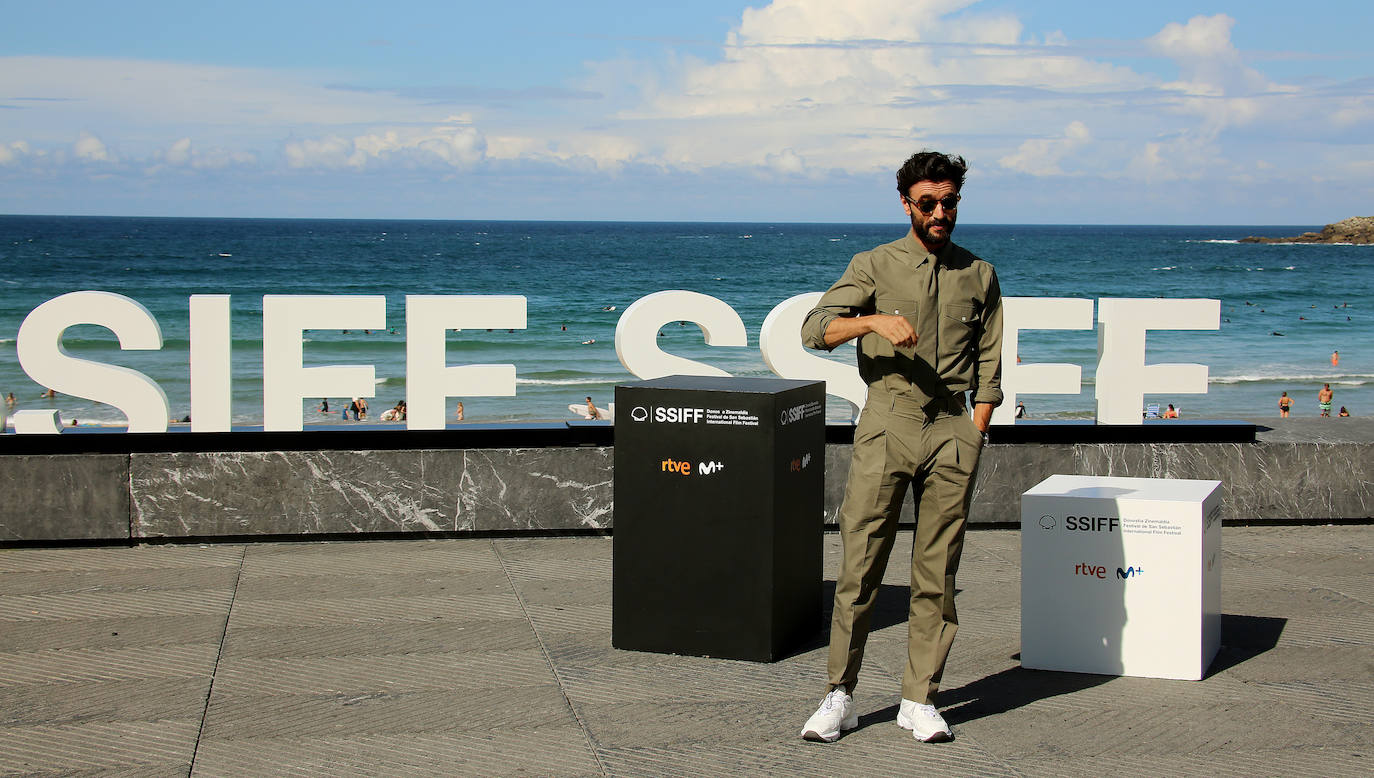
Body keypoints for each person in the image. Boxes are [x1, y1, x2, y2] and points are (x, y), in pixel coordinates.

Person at [799, 150, 1002, 745]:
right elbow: (815, 330)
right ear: (907, 204)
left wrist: (977, 426)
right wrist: (872, 322)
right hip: (887, 422)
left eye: (950, 202)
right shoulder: (873, 265)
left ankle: (920, 698)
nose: (940, 212)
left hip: (951, 429)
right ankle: (840, 694)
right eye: (928, 203)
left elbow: (990, 359)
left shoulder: (979, 273)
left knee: (938, 570)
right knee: (859, 563)